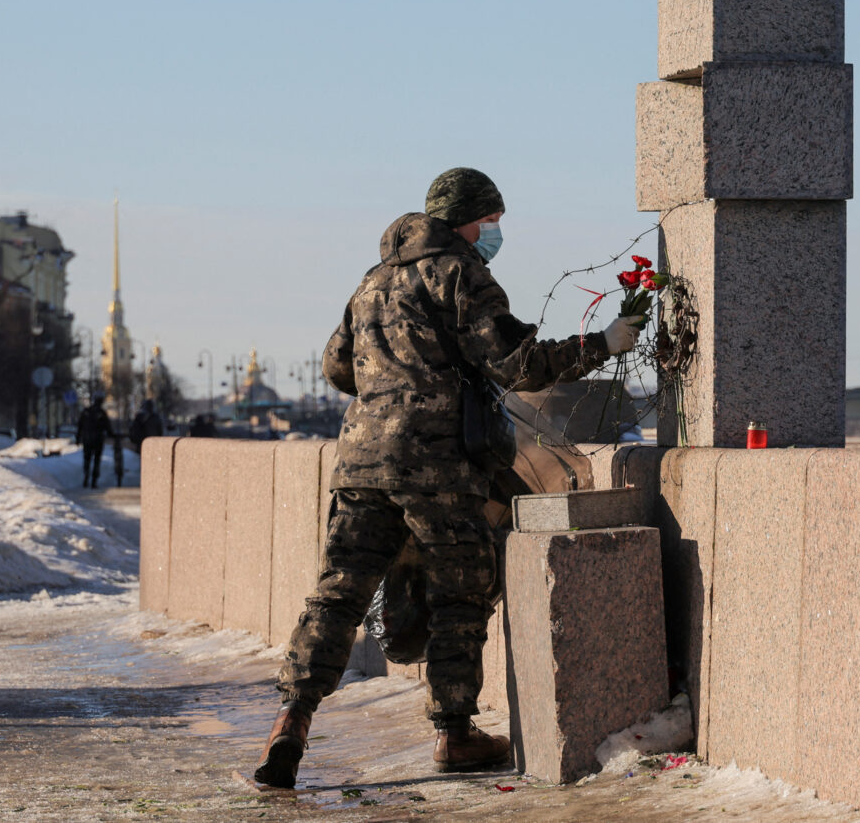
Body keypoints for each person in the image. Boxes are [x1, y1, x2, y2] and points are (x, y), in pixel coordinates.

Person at [254, 167, 645, 788]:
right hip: (437, 464)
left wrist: (390, 382)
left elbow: (336, 366)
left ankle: (289, 723)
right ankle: (454, 733)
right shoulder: (460, 272)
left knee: (338, 594)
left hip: (359, 462)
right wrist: (602, 342)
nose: (494, 232)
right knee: (459, 594)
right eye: (491, 221)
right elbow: (518, 364)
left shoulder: (372, 281)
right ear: (467, 218)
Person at [74, 394, 111, 488]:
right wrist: (112, 435)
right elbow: (107, 427)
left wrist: (78, 438)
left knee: (87, 459)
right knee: (96, 461)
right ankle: (94, 481)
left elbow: (80, 426)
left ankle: (86, 476)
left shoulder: (86, 411)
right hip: (98, 440)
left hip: (87, 439)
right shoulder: (102, 413)